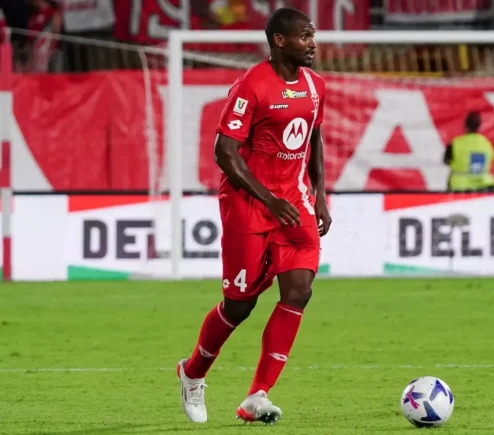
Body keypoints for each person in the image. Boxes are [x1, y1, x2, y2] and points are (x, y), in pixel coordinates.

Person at [176, 7, 331, 425]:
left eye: (312, 35)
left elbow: (315, 137)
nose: (312, 43)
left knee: (299, 290)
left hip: (294, 201)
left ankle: (256, 396)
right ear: (280, 41)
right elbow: (224, 153)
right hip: (248, 205)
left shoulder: (315, 86)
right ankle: (192, 373)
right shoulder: (251, 86)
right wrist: (268, 198)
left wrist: (319, 196)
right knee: (239, 306)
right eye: (304, 36)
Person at [443, 112, 494, 192]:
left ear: (465, 126)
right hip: (484, 187)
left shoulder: (456, 143)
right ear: (479, 126)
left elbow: (446, 160)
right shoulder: (487, 144)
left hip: (460, 188)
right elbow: (491, 159)